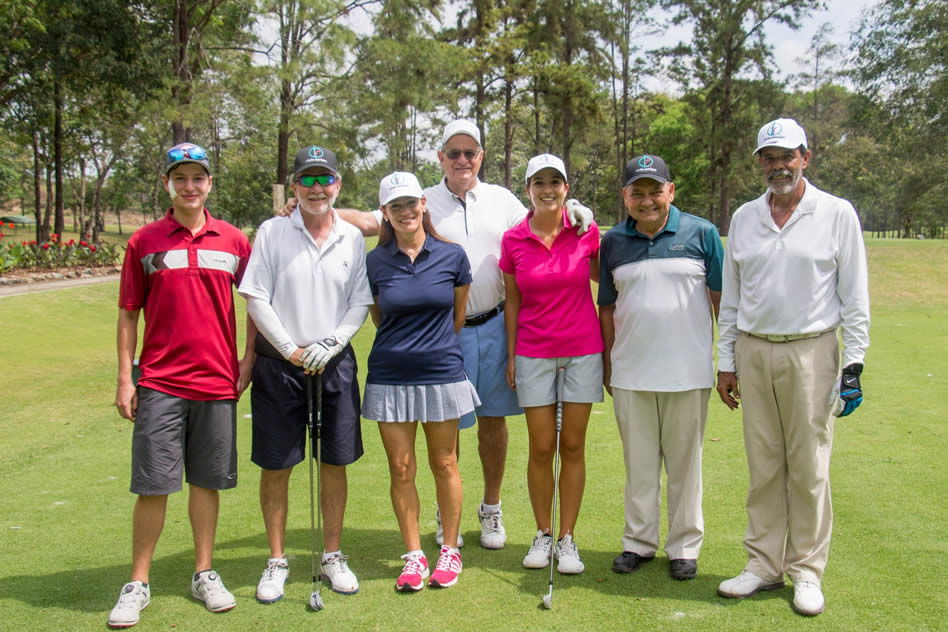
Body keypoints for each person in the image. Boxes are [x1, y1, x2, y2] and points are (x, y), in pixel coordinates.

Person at [301, 120, 593, 550]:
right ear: (440, 157)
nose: (462, 160)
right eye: (453, 153)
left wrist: (575, 208)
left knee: (493, 422)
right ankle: (446, 509)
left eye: (470, 152)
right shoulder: (422, 198)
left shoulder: (502, 199)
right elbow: (368, 220)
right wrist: (310, 209)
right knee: (447, 430)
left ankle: (491, 508)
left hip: (495, 325)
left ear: (481, 156)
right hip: (443, 335)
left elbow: (544, 212)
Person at [715, 118, 870, 616]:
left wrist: (854, 364)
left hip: (812, 350)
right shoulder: (745, 217)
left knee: (808, 467)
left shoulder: (836, 213)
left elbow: (855, 298)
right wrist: (726, 362)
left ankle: (806, 570)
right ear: (760, 162)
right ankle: (763, 564)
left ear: (806, 157)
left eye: (787, 155)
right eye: (769, 157)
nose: (778, 165)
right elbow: (732, 299)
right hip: (754, 350)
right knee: (764, 466)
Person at [109, 142, 252, 628]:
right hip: (160, 382)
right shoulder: (144, 241)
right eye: (180, 178)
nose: (189, 186)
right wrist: (125, 379)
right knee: (153, 485)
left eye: (197, 178)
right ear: (168, 184)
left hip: (217, 381)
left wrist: (248, 358)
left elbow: (256, 302)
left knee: (206, 483)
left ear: (209, 183)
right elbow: (128, 313)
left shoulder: (233, 241)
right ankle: (138, 582)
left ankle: (204, 572)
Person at [238, 145, 372, 603]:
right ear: (294, 186)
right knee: (277, 464)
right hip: (281, 366)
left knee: (335, 461)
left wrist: (332, 343)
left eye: (325, 179)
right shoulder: (272, 231)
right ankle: (277, 560)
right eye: (308, 179)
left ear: (338, 184)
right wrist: (290, 350)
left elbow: (359, 301)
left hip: (334, 363)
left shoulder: (351, 237)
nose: (317, 188)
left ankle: (332, 555)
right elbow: (256, 297)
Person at [598, 154, 723, 581]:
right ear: (625, 196)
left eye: (656, 191)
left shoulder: (702, 233)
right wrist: (608, 362)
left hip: (688, 372)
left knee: (686, 466)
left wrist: (728, 360)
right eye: (638, 192)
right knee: (639, 464)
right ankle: (639, 541)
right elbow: (607, 307)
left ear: (671, 191)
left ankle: (684, 546)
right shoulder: (613, 242)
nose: (647, 200)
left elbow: (721, 301)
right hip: (631, 372)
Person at [362, 171, 479, 591]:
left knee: (444, 462)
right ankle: (414, 556)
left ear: (423, 204)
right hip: (390, 375)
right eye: (396, 206)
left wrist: (429, 346)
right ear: (385, 213)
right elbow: (379, 316)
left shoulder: (452, 256)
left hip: (441, 372)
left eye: (411, 203)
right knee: (401, 467)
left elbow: (457, 317)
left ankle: (449, 549)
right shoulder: (375, 262)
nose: (405, 211)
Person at [499, 154, 603, 574]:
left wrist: (593, 229)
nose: (547, 189)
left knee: (572, 445)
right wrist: (511, 354)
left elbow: (607, 277)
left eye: (554, 182)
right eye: (538, 182)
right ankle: (543, 534)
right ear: (527, 190)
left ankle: (567, 538)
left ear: (566, 188)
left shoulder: (585, 231)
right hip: (533, 351)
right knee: (541, 447)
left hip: (583, 349)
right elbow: (512, 299)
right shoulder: (513, 239)